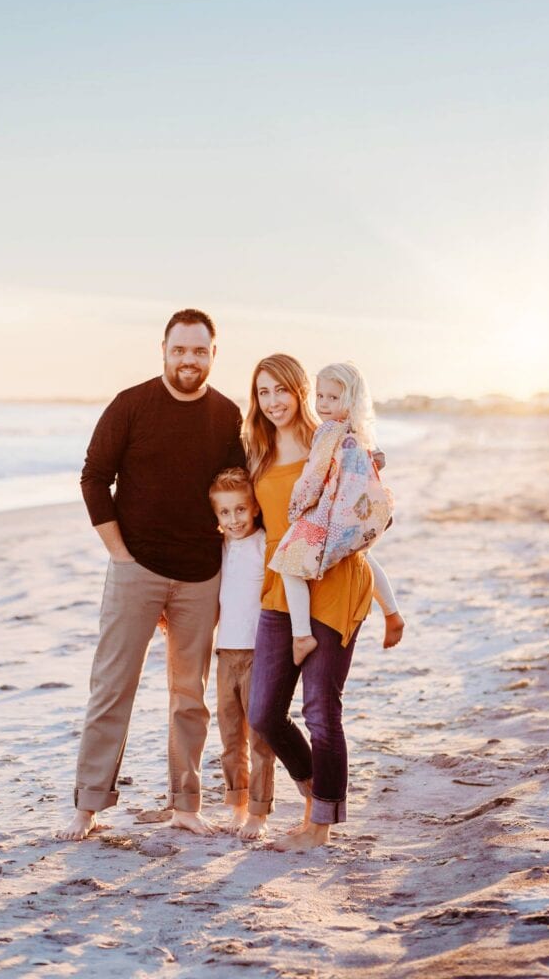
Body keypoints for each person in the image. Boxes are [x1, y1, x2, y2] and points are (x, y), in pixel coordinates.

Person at [57, 309, 246, 841]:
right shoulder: (131, 404)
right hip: (133, 569)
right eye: (180, 349)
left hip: (201, 577)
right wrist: (119, 556)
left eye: (200, 351)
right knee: (111, 688)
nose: (189, 360)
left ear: (214, 354)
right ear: (163, 349)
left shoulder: (227, 415)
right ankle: (88, 805)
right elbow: (94, 478)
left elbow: (241, 489)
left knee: (190, 696)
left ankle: (186, 804)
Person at [244, 353, 375, 852]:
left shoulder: (336, 441)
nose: (273, 401)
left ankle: (319, 828)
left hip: (333, 582)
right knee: (264, 714)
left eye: (281, 390)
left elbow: (368, 507)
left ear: (301, 391)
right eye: (262, 392)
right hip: (282, 583)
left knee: (321, 709)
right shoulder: (255, 448)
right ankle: (311, 791)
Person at [269, 361, 404, 666]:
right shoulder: (359, 432)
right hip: (355, 515)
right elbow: (375, 462)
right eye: (320, 396)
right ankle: (392, 611)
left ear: (351, 400)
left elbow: (314, 475)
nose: (324, 404)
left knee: (289, 565)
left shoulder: (328, 431)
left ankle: (302, 635)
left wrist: (297, 505)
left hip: (330, 513)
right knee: (364, 558)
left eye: (333, 397)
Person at [208, 467, 275, 841]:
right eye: (225, 512)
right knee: (230, 734)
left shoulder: (265, 543)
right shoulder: (219, 548)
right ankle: (236, 800)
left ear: (254, 509)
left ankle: (259, 812)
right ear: (216, 516)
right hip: (224, 654)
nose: (234, 519)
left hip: (259, 652)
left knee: (260, 737)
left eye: (240, 510)